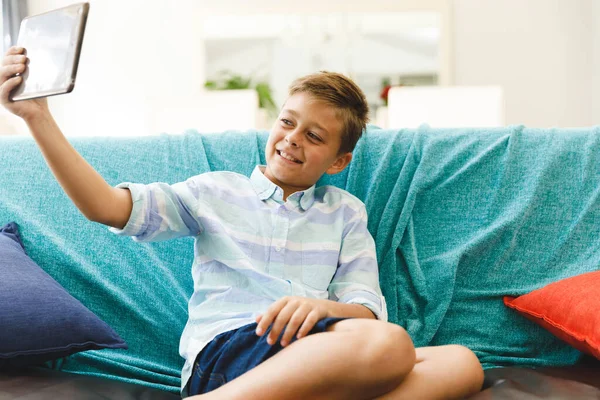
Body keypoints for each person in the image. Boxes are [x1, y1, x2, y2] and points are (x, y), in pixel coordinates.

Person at [0, 45, 483, 400]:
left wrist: (319, 309)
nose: (292, 139)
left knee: (461, 364)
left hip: (319, 350)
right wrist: (37, 117)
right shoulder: (217, 192)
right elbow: (104, 206)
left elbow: (365, 308)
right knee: (392, 346)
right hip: (230, 353)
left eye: (314, 136)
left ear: (338, 161)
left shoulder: (345, 213)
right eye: (287, 122)